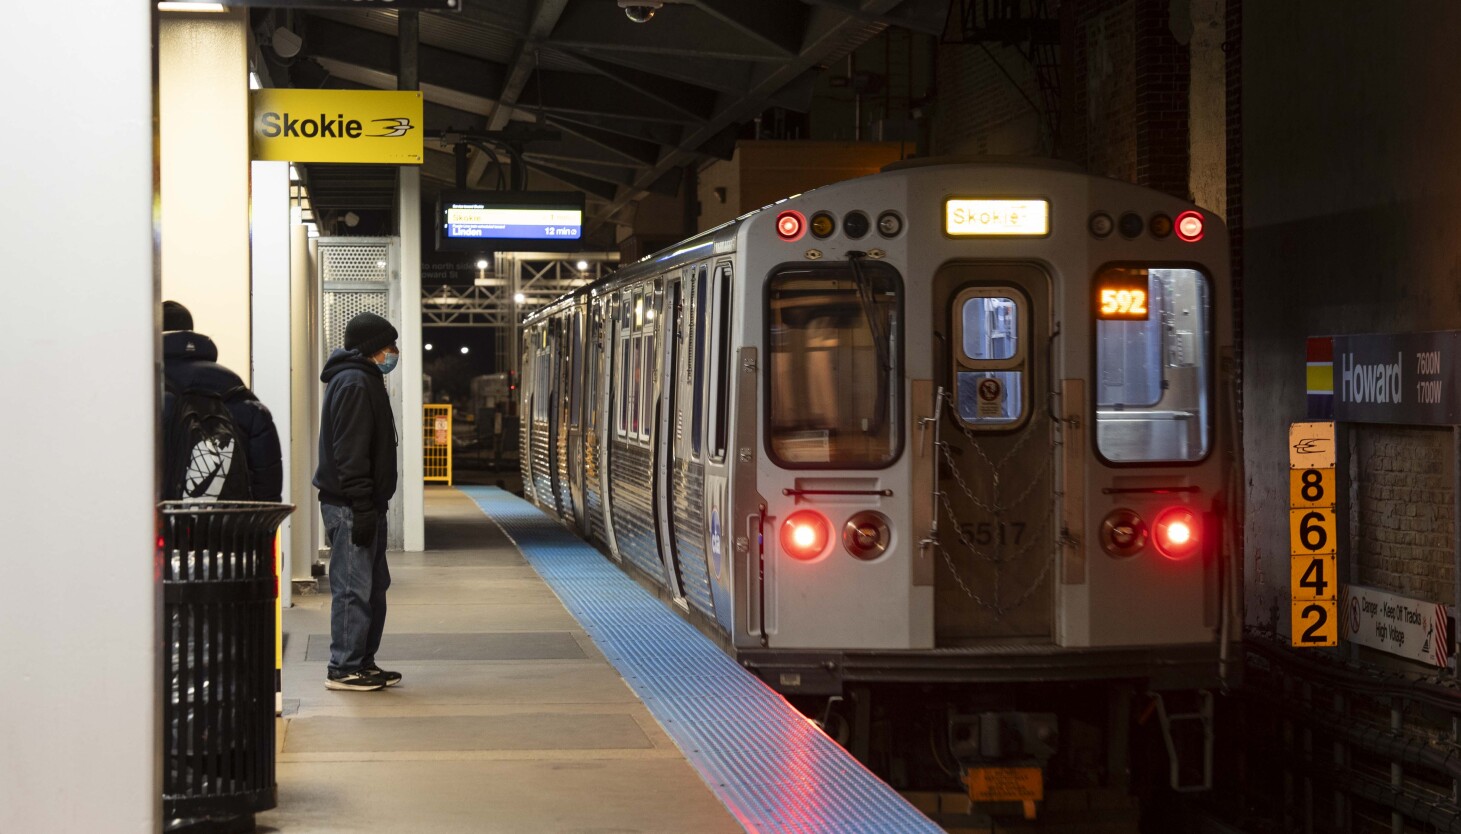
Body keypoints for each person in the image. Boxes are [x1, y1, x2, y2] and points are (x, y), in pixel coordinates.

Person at [314, 311, 402, 692]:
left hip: (363, 505)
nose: (393, 353)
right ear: (372, 349)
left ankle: (362, 662)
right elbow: (350, 452)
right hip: (351, 506)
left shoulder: (364, 380)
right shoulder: (353, 383)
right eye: (389, 346)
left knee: (373, 586)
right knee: (353, 588)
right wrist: (363, 504)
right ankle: (344, 667)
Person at [162, 300, 284, 502]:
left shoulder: (147, 395)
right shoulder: (237, 392)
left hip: (166, 529)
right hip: (232, 530)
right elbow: (267, 484)